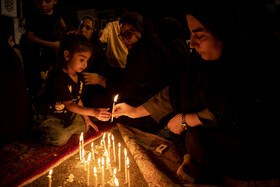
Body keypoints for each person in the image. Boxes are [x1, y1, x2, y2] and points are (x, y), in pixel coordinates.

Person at [114, 0, 280, 184]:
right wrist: (134, 111)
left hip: (250, 145)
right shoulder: (198, 65)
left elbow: (239, 112)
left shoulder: (257, 67)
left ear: (225, 32)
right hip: (204, 137)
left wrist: (187, 120)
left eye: (199, 36)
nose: (191, 44)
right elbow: (175, 92)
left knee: (200, 142)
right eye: (190, 35)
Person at [88, 12, 173, 133]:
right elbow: (132, 76)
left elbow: (126, 89)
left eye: (128, 34)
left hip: (151, 113)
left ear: (140, 30)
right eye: (122, 36)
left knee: (98, 102)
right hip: (157, 106)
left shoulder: (139, 51)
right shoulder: (153, 44)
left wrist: (101, 81)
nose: (124, 40)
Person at [34, 34, 111, 146]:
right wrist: (93, 112)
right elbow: (70, 105)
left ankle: (66, 129)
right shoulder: (59, 77)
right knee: (61, 138)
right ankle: (39, 131)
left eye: (87, 61)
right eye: (81, 60)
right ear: (67, 55)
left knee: (84, 127)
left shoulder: (80, 77)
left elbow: (78, 100)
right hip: (50, 116)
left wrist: (87, 118)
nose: (85, 64)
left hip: (67, 114)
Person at [20, 0, 66, 98]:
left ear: (55, 1)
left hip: (53, 54)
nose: (43, 5)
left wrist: (61, 39)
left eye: (47, 1)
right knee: (39, 82)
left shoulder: (57, 15)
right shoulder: (33, 16)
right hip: (37, 55)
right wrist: (53, 44)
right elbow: (30, 36)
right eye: (39, 1)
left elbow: (63, 26)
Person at [99, 7, 129, 78]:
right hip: (126, 62)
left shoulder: (111, 25)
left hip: (113, 65)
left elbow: (102, 38)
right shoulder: (128, 26)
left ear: (116, 16)